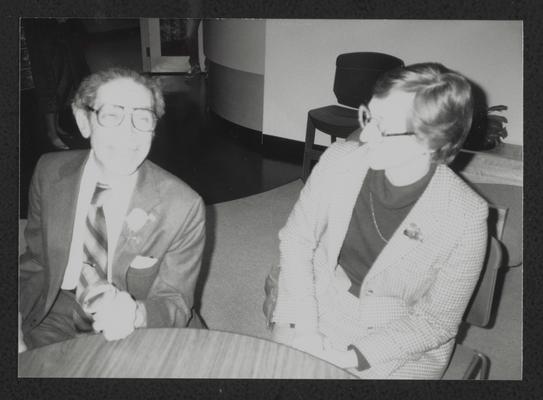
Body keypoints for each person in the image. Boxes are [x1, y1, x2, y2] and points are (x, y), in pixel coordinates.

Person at [265, 63, 488, 379]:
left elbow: (436, 322)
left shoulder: (466, 217)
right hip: (321, 297)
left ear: (431, 142)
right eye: (368, 116)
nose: (364, 134)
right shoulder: (339, 160)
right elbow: (297, 240)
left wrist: (351, 358)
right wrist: (306, 326)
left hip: (400, 334)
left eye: (382, 127)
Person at [19, 67, 206, 351]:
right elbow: (35, 260)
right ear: (84, 121)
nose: (128, 133)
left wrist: (135, 313)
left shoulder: (183, 205)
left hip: (137, 323)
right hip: (56, 308)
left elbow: (175, 301)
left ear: (154, 129)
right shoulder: (48, 172)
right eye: (111, 115)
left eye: (142, 117)